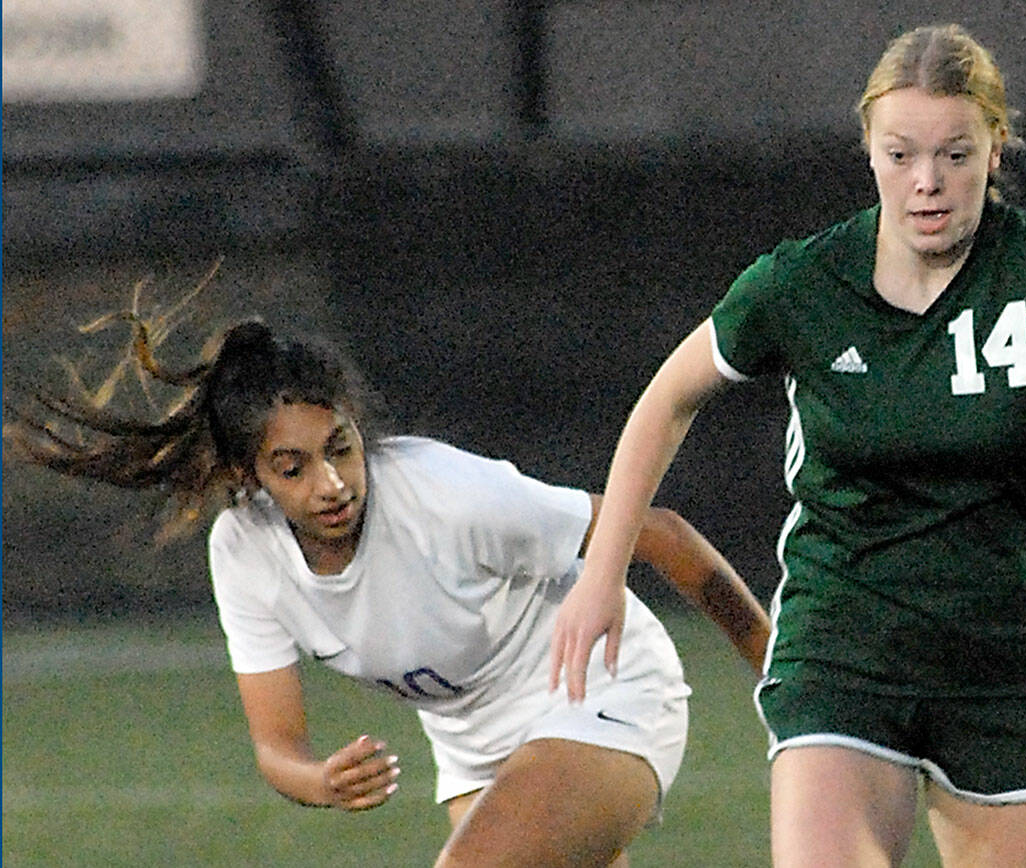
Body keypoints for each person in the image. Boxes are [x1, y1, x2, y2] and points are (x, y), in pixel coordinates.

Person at [549, 23, 1026, 868]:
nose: (927, 182)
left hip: (1003, 666)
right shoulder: (802, 284)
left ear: (995, 147)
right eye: (901, 154)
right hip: (843, 651)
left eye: (954, 154)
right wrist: (601, 578)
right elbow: (663, 405)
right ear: (868, 150)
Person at [5, 304, 771, 868]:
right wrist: (320, 781)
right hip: (474, 750)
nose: (332, 483)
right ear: (248, 478)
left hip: (603, 691)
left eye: (340, 448)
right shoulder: (243, 551)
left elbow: (661, 533)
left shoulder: (445, 492)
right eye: (292, 466)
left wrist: (780, 671)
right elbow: (278, 748)